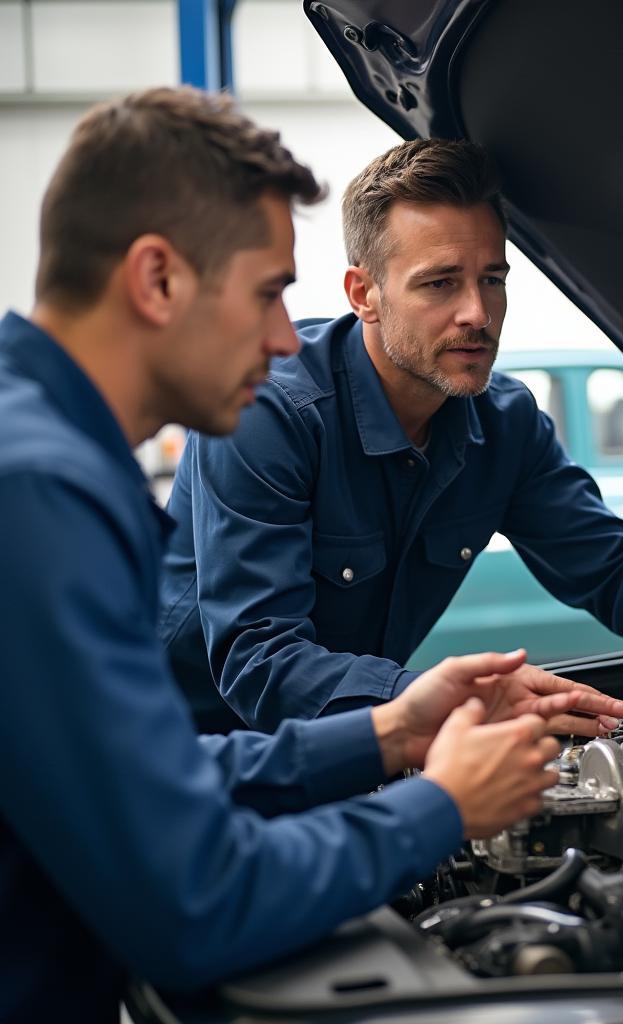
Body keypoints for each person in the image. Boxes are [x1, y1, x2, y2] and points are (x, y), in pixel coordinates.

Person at [0, 88, 578, 1023]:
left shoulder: (43, 459)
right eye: (268, 291)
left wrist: (388, 730)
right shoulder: (35, 494)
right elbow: (194, 898)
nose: (283, 335)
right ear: (156, 281)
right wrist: (438, 809)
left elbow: (160, 781)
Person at [160, 138, 623, 734]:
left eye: (492, 280)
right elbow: (259, 658)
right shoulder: (266, 413)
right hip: (176, 751)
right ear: (364, 294)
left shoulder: (505, 423)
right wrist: (445, 702)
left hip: (352, 741)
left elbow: (607, 565)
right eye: (440, 283)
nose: (477, 313)